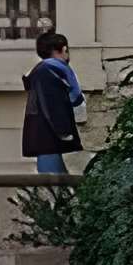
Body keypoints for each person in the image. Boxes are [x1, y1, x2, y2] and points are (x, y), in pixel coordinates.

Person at [22, 29, 85, 175]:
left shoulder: (41, 71)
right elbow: (53, 104)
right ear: (64, 50)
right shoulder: (51, 72)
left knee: (55, 181)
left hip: (42, 134)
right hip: (50, 136)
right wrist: (64, 132)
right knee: (54, 183)